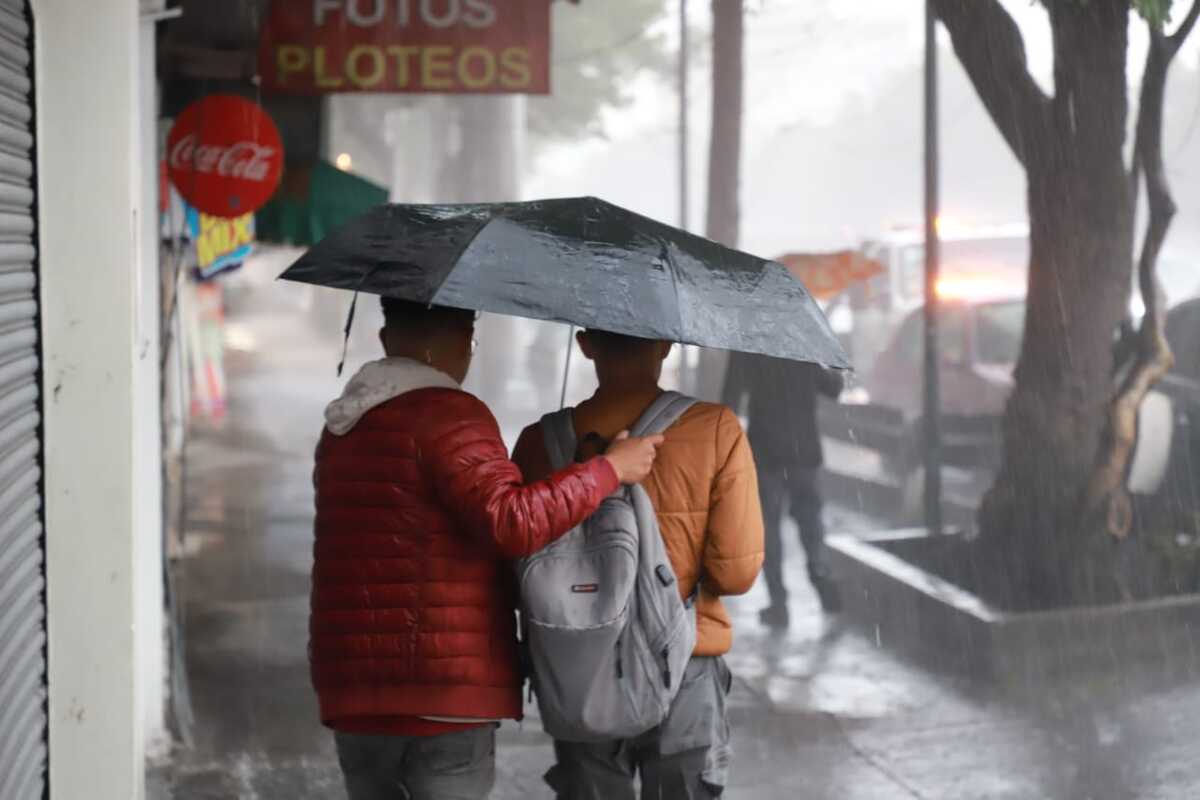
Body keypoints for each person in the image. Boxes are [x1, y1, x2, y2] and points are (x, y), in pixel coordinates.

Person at [311, 299, 664, 800]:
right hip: (441, 688)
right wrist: (610, 470)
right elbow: (512, 522)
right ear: (449, 342)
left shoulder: (343, 427)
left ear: (389, 340)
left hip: (352, 686)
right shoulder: (450, 414)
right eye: (470, 342)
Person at [512, 329, 765, 800]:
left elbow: (520, 570)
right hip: (685, 663)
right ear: (665, 345)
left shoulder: (538, 442)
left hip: (578, 665)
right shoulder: (715, 428)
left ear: (586, 345)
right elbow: (736, 573)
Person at [722, 351, 845, 627]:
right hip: (804, 451)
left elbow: (729, 399)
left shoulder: (747, 343)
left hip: (766, 451)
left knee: (768, 528)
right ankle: (821, 578)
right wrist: (829, 357)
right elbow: (834, 388)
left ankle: (779, 604)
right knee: (810, 522)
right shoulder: (800, 342)